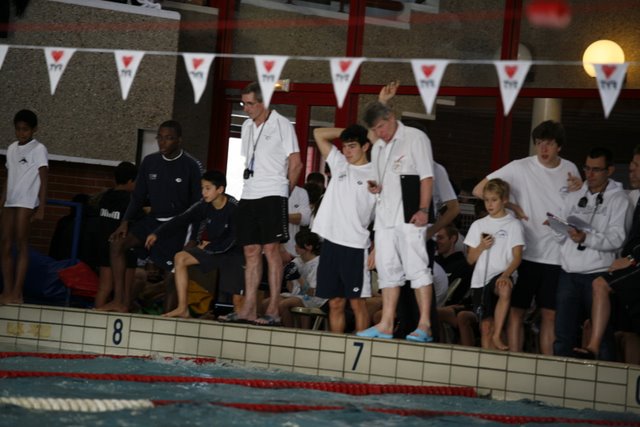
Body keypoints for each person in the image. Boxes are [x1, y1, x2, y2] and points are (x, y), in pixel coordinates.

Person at [472, 120, 581, 355]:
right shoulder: (519, 167)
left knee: (550, 313)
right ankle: (515, 361)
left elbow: (578, 209)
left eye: (549, 144)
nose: (543, 149)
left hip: (557, 255)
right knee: (516, 311)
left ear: (559, 146)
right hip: (525, 252)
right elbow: (479, 190)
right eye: (539, 143)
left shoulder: (570, 168)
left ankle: (548, 365)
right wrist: (511, 205)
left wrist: (579, 189)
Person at [221, 82, 302, 326]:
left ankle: (274, 309)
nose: (246, 108)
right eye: (243, 103)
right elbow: (251, 163)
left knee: (271, 250)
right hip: (249, 193)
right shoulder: (246, 126)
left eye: (250, 104)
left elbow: (296, 163)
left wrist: (283, 194)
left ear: (263, 102)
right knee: (250, 251)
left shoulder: (282, 124)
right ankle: (248, 308)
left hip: (274, 193)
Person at [103, 120, 203, 313]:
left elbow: (198, 207)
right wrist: (124, 222)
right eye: (160, 137)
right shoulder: (150, 162)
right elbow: (137, 197)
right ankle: (119, 301)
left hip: (176, 225)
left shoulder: (191, 165)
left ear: (179, 140)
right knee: (117, 244)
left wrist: (193, 238)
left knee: (172, 271)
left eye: (169, 138)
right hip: (153, 221)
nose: (162, 142)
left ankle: (168, 315)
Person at [357, 100, 435, 343]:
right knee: (387, 270)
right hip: (385, 217)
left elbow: (427, 177)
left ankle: (425, 324)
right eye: (375, 129)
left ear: (391, 117)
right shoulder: (378, 147)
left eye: (381, 126)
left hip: (409, 215)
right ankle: (386, 323)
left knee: (417, 268)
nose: (379, 133)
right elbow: (380, 180)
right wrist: (375, 187)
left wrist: (423, 209)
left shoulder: (415, 137)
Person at [550, 147, 631, 361]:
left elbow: (618, 239)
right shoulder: (574, 195)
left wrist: (586, 238)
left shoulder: (619, 199)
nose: (590, 174)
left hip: (598, 273)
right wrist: (557, 227)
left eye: (596, 169)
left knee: (602, 334)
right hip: (568, 271)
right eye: (587, 168)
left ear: (610, 170)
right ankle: (559, 375)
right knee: (562, 333)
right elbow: (559, 234)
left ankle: (606, 377)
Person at [570, 147, 640, 360]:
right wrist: (582, 186)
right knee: (630, 331)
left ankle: (593, 346)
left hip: (634, 264)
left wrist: (631, 259)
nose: (631, 169)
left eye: (637, 165)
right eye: (632, 164)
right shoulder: (633, 195)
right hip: (630, 263)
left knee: (600, 284)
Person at [145, 170, 244, 318]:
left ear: (220, 189)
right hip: (213, 249)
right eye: (202, 188)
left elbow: (233, 239)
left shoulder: (234, 208)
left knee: (238, 302)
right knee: (180, 258)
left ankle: (240, 320)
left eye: (208, 188)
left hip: (233, 253)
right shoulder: (204, 204)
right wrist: (157, 233)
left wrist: (210, 247)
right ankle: (182, 308)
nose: (203, 192)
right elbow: (182, 219)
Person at [311, 126, 376, 334]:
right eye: (345, 146)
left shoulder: (376, 173)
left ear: (365, 146)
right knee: (335, 303)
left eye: (353, 146)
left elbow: (385, 216)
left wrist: (377, 248)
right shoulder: (339, 163)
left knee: (358, 303)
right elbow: (318, 134)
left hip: (356, 246)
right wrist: (349, 132)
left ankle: (362, 347)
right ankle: (336, 347)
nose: (347, 151)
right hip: (331, 244)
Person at [465, 178, 524, 350]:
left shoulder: (514, 224)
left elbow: (517, 257)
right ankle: (487, 359)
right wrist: (481, 247)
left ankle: (498, 335)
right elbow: (470, 259)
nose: (489, 204)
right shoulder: (478, 225)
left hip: (502, 273)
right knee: (485, 327)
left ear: (504, 200)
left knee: (504, 287)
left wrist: (506, 275)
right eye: (486, 200)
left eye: (494, 200)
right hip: (480, 280)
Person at [0, 109, 48, 305]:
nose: (21, 133)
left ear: (34, 129)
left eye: (25, 129)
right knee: (5, 244)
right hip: (10, 201)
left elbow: (44, 179)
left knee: (21, 244)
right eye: (18, 129)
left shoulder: (39, 149)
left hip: (26, 201)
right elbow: (9, 176)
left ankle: (17, 292)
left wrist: (41, 207)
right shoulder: (12, 148)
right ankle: (7, 290)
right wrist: (2, 201)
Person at [94, 162, 138, 309]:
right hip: (124, 249)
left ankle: (95, 317)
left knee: (104, 288)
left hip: (104, 245)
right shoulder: (131, 200)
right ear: (131, 181)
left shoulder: (105, 196)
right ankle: (121, 317)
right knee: (125, 292)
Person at [262, 230, 326, 328]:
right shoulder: (297, 261)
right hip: (298, 295)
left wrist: (298, 277)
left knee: (284, 304)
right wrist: (288, 277)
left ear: (309, 247)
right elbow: (292, 289)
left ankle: (290, 331)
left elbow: (312, 292)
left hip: (316, 299)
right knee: (266, 303)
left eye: (298, 245)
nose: (295, 247)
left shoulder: (319, 264)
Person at [282, 185, 311, 261]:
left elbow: (306, 220)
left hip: (293, 251)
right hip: (267, 251)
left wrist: (278, 217)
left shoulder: (301, 192)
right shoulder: (265, 189)